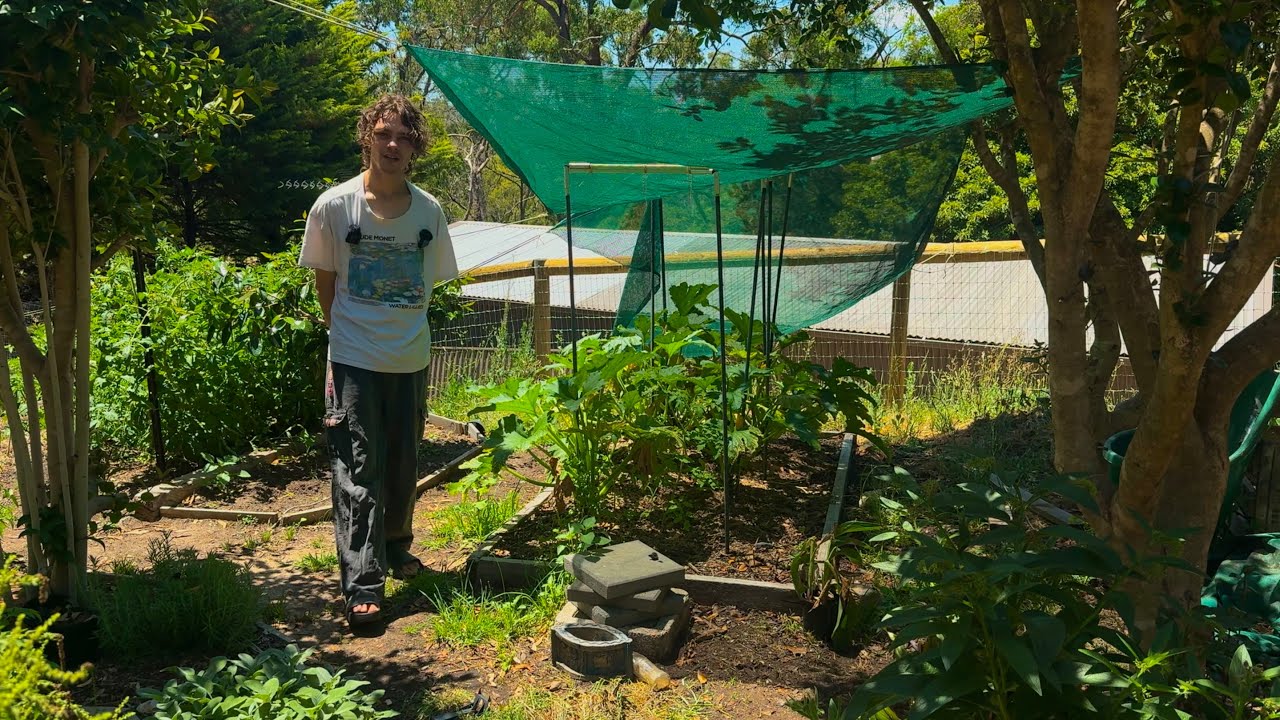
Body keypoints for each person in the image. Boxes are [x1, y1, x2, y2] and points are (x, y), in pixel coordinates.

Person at [298, 94, 458, 629]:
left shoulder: (429, 212)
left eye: (404, 137)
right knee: (357, 469)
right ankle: (363, 583)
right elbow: (326, 284)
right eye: (384, 133)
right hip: (354, 359)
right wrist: (347, 337)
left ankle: (395, 546)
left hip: (410, 358)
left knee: (403, 463)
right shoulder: (334, 206)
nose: (393, 144)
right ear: (368, 136)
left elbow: (428, 285)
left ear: (415, 148)